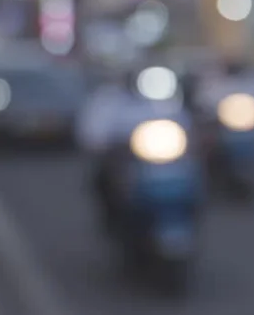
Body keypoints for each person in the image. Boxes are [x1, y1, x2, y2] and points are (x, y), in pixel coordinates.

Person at [77, 66, 190, 226]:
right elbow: (93, 133)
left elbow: (182, 123)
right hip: (124, 159)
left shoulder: (160, 99)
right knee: (105, 180)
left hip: (161, 159)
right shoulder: (108, 100)